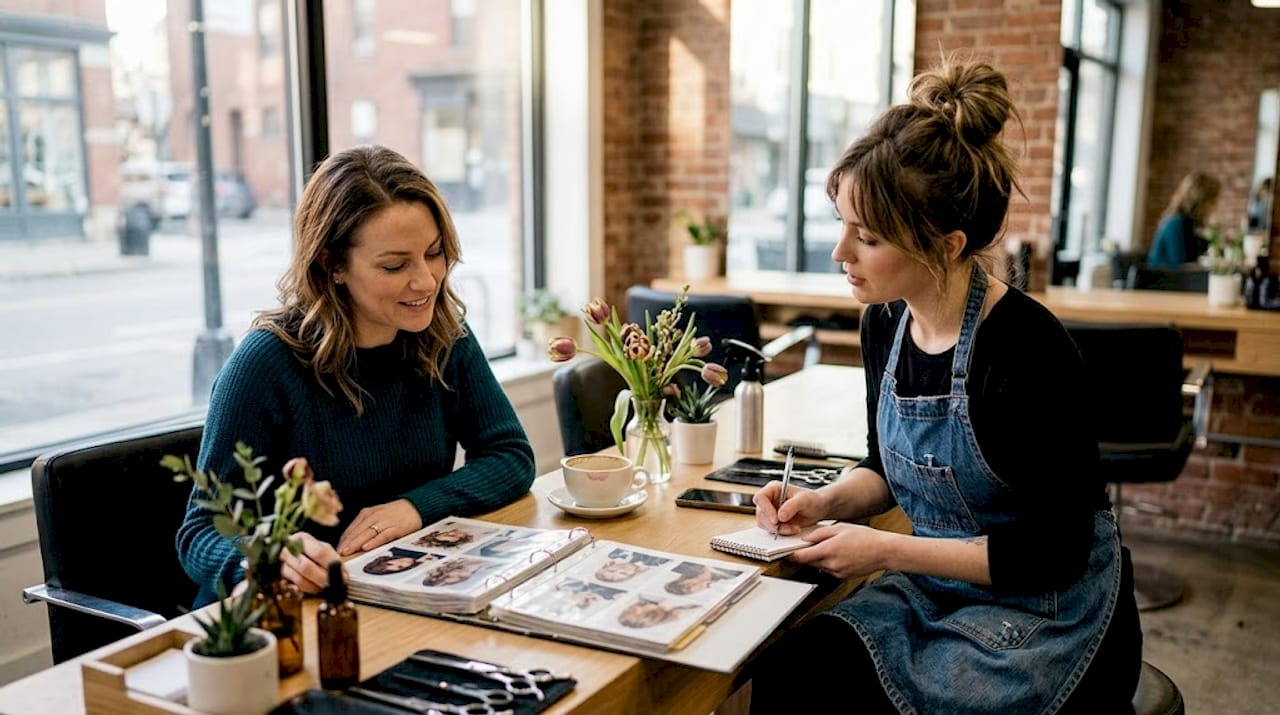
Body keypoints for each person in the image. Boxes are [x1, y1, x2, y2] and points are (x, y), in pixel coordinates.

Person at [748, 56, 1140, 714]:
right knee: (791, 668)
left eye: (866, 236)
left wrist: (886, 550)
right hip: (940, 588)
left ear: (948, 243)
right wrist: (826, 499)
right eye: (842, 224)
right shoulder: (884, 325)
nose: (841, 252)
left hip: (1050, 610)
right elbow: (886, 466)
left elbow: (1055, 552)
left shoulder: (1027, 349)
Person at [177, 145, 536, 607]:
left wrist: (416, 508)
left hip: (391, 594)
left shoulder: (444, 335)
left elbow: (510, 455)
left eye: (434, 253)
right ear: (333, 265)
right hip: (277, 621)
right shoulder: (266, 363)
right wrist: (269, 556)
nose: (426, 281)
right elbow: (199, 533)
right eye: (395, 265)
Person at [1147, 171, 1221, 267]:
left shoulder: (1188, 224)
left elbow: (1202, 252)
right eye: (1212, 201)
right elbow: (1182, 267)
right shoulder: (1176, 223)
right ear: (1200, 201)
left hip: (1176, 280)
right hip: (1160, 281)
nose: (1215, 207)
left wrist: (1213, 234)